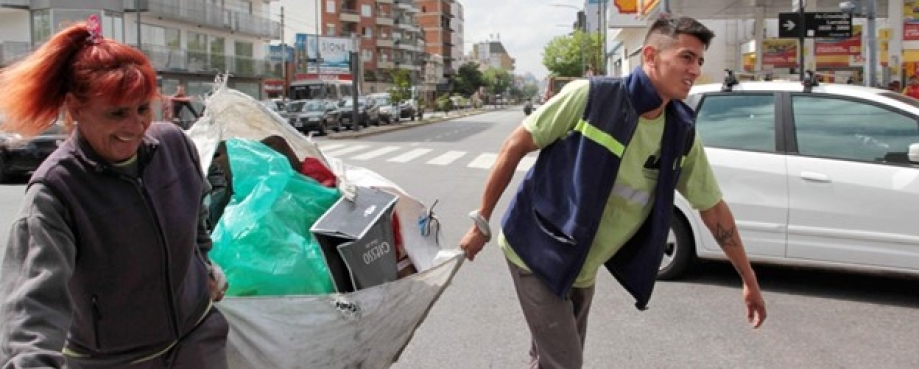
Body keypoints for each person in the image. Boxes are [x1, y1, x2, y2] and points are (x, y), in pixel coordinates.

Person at [458, 15, 767, 368]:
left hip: (582, 265)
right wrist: (481, 220)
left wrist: (749, 278)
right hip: (535, 249)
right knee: (565, 364)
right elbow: (515, 144)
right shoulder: (591, 96)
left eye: (699, 60)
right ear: (650, 56)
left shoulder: (679, 133)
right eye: (685, 57)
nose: (695, 69)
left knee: (548, 360)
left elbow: (713, 209)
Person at [0, 15, 229, 369]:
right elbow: (33, 307)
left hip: (198, 343)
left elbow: (196, 211)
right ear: (76, 110)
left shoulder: (174, 145)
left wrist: (203, 263)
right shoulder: (57, 191)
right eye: (116, 113)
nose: (135, 126)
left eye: (142, 109)